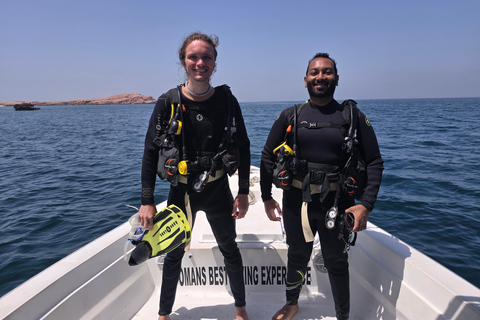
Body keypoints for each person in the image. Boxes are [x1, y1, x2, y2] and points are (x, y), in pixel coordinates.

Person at [260, 53, 384, 320]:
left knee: (337, 262)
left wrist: (366, 205)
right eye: (314, 72)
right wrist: (267, 196)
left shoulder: (351, 116)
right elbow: (267, 155)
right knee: (297, 256)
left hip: (337, 203)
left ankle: (342, 316)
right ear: (305, 80)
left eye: (327, 72)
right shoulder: (290, 115)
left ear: (336, 79)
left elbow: (374, 161)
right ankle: (292, 304)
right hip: (296, 202)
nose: (320, 77)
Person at [138, 32, 251, 320]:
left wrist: (241, 192)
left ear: (214, 63)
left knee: (229, 249)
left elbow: (243, 146)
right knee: (173, 254)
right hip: (181, 191)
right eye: (193, 57)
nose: (200, 62)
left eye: (206, 57)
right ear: (183, 61)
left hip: (217, 191)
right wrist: (147, 200)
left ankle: (240, 311)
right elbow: (150, 152)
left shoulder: (227, 100)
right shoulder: (168, 102)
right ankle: (163, 315)